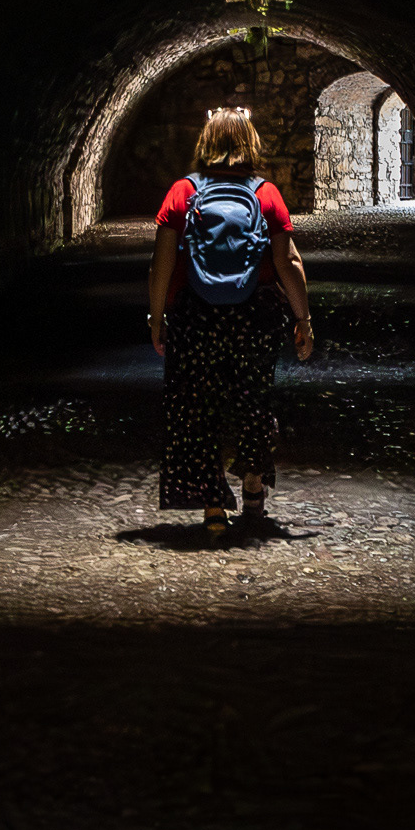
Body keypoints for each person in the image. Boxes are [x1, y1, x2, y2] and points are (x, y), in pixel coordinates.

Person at [148, 107, 314, 533]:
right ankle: (253, 486)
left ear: (205, 143)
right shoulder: (266, 194)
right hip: (255, 314)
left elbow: (161, 263)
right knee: (253, 399)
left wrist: (157, 317)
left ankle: (212, 508)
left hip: (195, 313)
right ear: (250, 144)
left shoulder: (182, 192)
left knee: (197, 405)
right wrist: (303, 318)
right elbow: (288, 261)